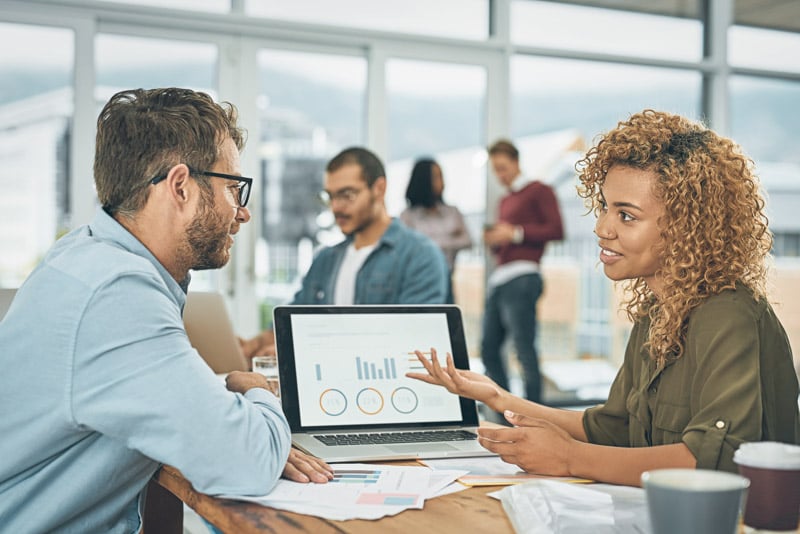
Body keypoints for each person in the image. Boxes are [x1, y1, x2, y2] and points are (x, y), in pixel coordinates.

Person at [408, 110, 800, 487]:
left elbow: (713, 461)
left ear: (685, 227)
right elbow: (612, 428)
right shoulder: (657, 310)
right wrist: (499, 396)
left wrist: (568, 458)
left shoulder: (726, 313)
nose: (601, 228)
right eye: (604, 208)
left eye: (626, 215)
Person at [0, 88, 331, 532]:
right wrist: (257, 391)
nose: (243, 213)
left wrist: (229, 416)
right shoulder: (116, 293)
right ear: (181, 186)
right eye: (234, 188)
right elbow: (245, 461)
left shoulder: (85, 255)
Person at [241, 147, 449, 358]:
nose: (336, 207)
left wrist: (301, 351)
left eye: (347, 195)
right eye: (330, 197)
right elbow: (293, 319)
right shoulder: (326, 259)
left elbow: (411, 339)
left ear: (379, 188)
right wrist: (252, 346)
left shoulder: (420, 255)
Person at [481, 139, 564, 405]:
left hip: (523, 276)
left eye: (503, 168)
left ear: (516, 162)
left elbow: (557, 230)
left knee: (524, 349)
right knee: (488, 348)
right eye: (496, 170)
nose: (500, 175)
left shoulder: (539, 190)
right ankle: (507, 409)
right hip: (501, 277)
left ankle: (534, 414)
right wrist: (497, 240)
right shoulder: (505, 201)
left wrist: (515, 233)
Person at [400, 158, 473, 304]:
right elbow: (406, 249)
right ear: (424, 180)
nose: (442, 182)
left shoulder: (452, 212)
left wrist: (426, 241)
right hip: (417, 282)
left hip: (447, 279)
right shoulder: (407, 216)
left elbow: (467, 241)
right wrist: (449, 237)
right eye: (437, 177)